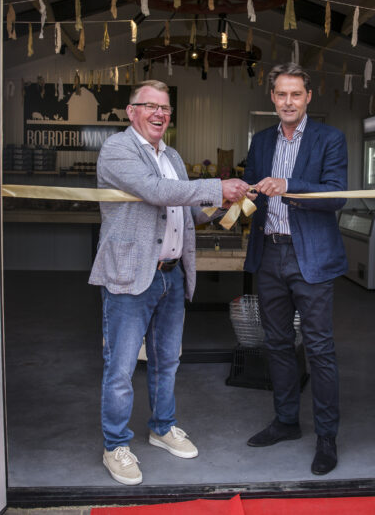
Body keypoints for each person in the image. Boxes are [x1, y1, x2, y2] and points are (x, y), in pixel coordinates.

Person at [88, 79, 249, 485]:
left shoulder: (172, 155)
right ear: (131, 112)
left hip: (171, 276)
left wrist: (221, 205)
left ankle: (162, 427)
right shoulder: (118, 150)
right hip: (130, 276)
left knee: (167, 362)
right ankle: (115, 446)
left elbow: (186, 211)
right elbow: (156, 191)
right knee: (121, 367)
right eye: (151, 106)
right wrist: (215, 186)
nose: (160, 114)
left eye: (166, 108)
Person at [243, 63, 348, 475]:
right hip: (269, 254)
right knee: (277, 343)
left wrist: (290, 185)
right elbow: (253, 192)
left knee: (319, 349)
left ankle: (327, 437)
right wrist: (228, 199)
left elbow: (337, 195)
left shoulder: (329, 139)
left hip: (313, 258)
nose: (288, 102)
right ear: (272, 97)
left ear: (308, 98)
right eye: (281, 94)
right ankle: (287, 421)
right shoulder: (261, 140)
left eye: (296, 95)